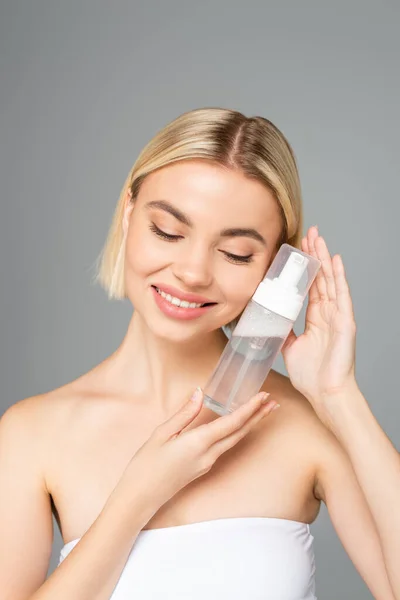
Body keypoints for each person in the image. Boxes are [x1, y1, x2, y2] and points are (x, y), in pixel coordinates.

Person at [0, 108, 399, 600]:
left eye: (234, 253)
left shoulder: (308, 424)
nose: (192, 272)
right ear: (129, 214)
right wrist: (138, 496)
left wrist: (339, 397)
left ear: (275, 268)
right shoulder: (31, 434)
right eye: (168, 230)